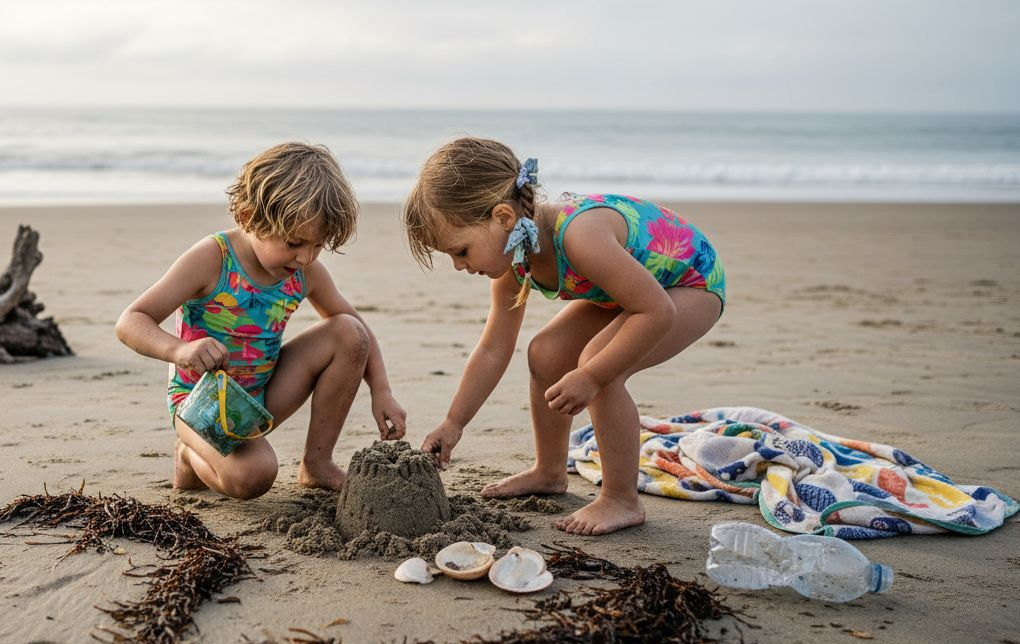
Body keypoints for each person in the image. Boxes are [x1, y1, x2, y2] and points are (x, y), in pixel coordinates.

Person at [405, 137, 725, 535]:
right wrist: (453, 422)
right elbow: (493, 348)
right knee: (546, 352)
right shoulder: (514, 258)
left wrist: (591, 377)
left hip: (690, 285)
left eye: (462, 251)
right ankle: (549, 470)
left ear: (504, 217)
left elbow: (656, 311)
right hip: (631, 292)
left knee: (598, 367)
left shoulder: (579, 236)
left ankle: (621, 499)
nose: (458, 266)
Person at [117, 142, 406, 500]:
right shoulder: (212, 258)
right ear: (249, 215)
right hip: (201, 403)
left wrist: (382, 390)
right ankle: (189, 454)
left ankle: (317, 463)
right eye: (294, 242)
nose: (305, 257)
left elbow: (356, 329)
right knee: (254, 476)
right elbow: (131, 321)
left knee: (349, 332)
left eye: (318, 245)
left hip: (262, 395)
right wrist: (179, 350)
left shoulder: (306, 271)